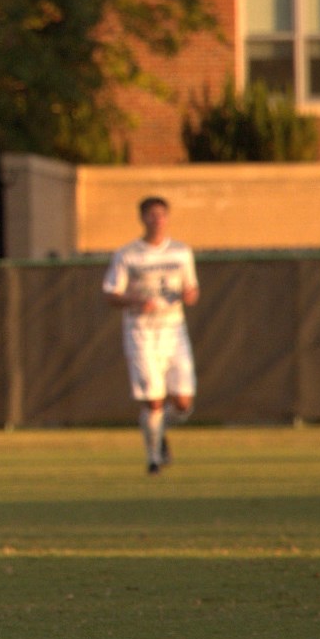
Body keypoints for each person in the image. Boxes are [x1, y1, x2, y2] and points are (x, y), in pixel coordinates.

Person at [101, 195, 199, 475]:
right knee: (154, 400)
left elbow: (191, 289)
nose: (157, 220)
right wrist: (133, 301)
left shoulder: (181, 252)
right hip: (141, 332)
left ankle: (160, 430)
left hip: (173, 330)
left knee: (183, 403)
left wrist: (191, 295)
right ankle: (154, 458)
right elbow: (110, 293)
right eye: (151, 215)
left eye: (162, 215)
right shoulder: (128, 254)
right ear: (142, 218)